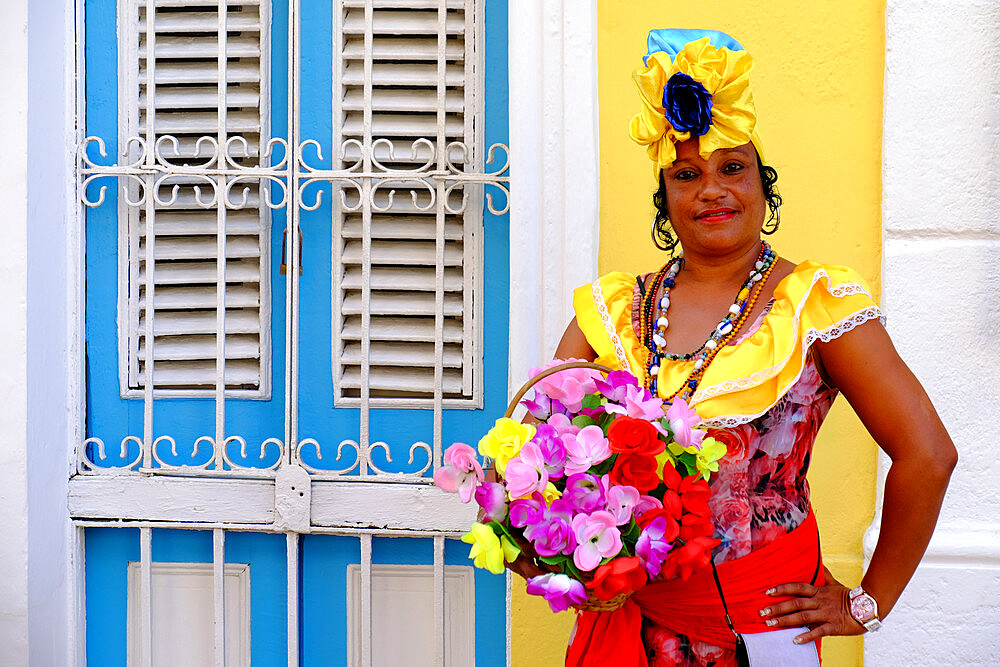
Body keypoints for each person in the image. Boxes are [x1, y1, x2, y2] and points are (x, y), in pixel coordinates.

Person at [515, 29, 956, 666]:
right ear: (665, 199)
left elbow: (929, 455)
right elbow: (540, 465)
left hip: (764, 633)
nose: (711, 189)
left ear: (763, 186)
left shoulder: (816, 304)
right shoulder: (610, 312)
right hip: (634, 632)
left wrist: (866, 602)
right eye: (687, 174)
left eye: (732, 168)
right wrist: (556, 552)